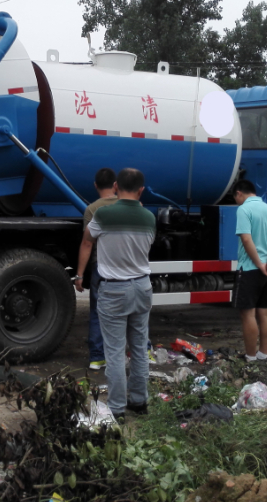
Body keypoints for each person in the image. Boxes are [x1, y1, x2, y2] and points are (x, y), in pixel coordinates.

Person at [75, 168, 156, 418]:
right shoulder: (149, 217)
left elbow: (88, 241)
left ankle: (118, 409)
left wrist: (79, 275)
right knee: (139, 349)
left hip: (113, 289)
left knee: (114, 352)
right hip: (142, 287)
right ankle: (139, 402)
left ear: (116, 187)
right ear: (141, 190)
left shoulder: (103, 214)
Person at [232, 179, 267, 361]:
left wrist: (259, 264)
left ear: (239, 193)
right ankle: (263, 354)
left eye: (235, 197)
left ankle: (251, 356)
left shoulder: (244, 209)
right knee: (265, 312)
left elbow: (246, 239)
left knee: (247, 314)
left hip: (249, 269)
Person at [73, 168, 118, 370]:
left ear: (95, 185)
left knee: (97, 313)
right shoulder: (128, 207)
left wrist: (79, 275)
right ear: (115, 185)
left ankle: (97, 358)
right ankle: (134, 353)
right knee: (127, 312)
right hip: (125, 267)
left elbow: (87, 243)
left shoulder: (92, 209)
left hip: (101, 266)